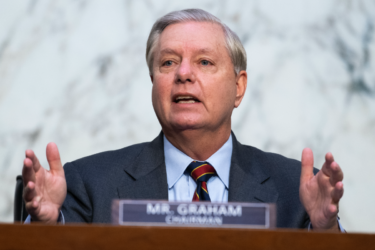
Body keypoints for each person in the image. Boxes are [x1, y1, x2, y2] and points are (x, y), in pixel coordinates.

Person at [22, 9, 344, 230]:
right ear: (153, 82)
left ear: (238, 87)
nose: (184, 74)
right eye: (168, 62)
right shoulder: (88, 184)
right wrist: (45, 228)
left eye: (204, 62)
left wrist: (325, 230)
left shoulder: (295, 191)